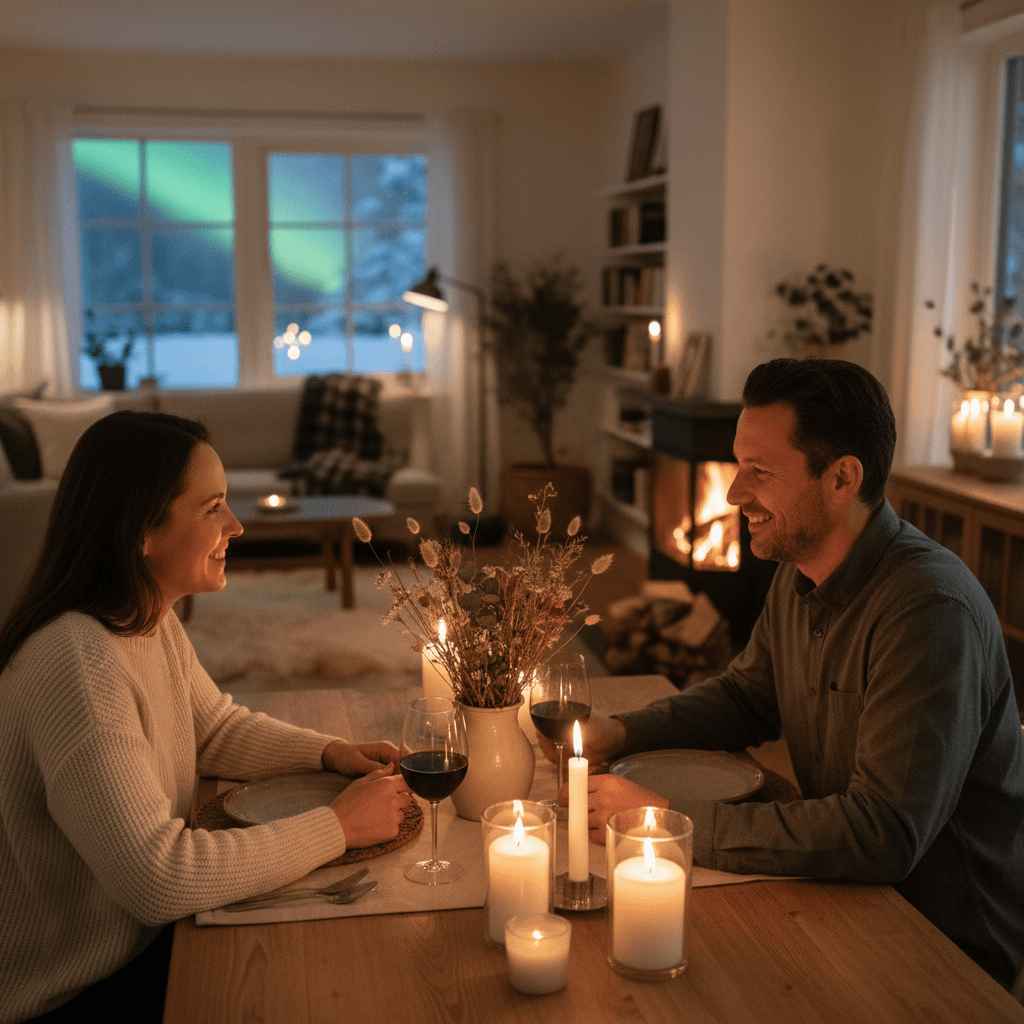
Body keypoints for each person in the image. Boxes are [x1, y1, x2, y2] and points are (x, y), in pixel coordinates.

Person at [544, 358, 1024, 989]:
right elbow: (748, 696)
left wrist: (663, 815)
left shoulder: (929, 612)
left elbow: (881, 834)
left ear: (842, 478)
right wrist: (623, 732)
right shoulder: (801, 571)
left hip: (941, 943)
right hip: (843, 893)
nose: (735, 494)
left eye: (759, 473)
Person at [0, 410, 412, 1023]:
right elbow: (157, 877)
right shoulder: (77, 661)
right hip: (77, 988)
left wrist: (329, 753)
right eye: (212, 507)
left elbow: (213, 728)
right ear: (140, 530)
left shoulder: (143, 615)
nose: (237, 525)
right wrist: (337, 827)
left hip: (144, 944)